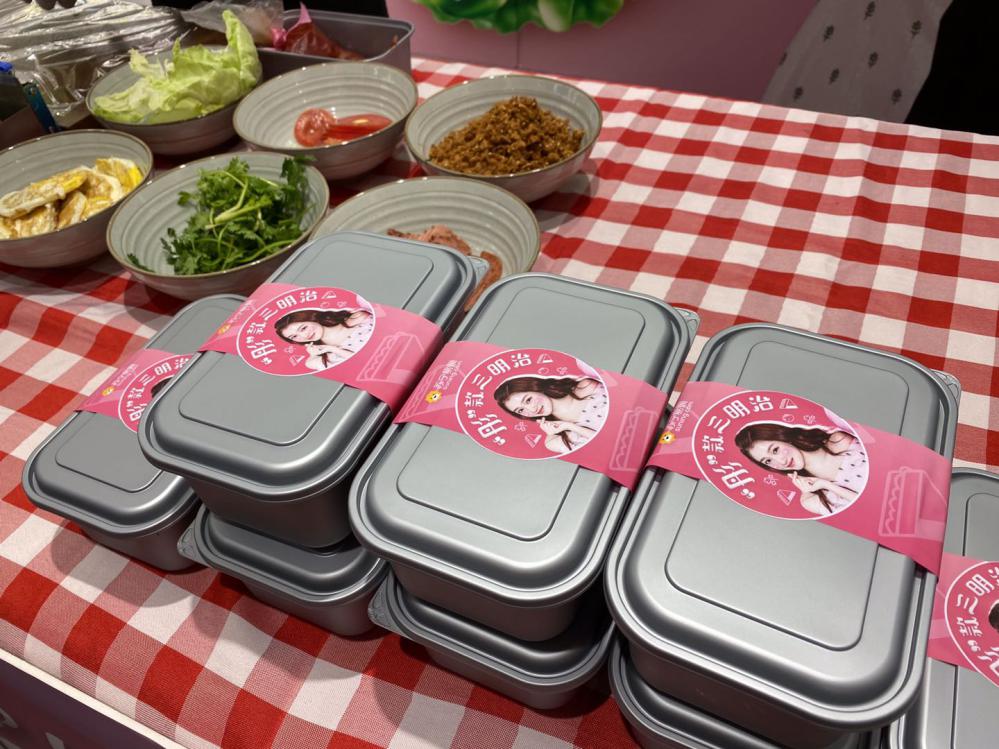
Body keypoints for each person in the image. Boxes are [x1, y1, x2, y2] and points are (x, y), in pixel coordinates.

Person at [734, 422, 868, 516]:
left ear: (783, 437)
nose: (781, 461)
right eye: (768, 461)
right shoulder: (810, 499)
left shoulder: (839, 440)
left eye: (775, 450)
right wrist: (827, 485)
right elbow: (866, 514)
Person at [494, 375, 608, 454]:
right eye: (520, 410)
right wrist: (571, 427)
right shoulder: (553, 440)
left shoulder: (586, 386)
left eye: (528, 400)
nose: (532, 409)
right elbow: (604, 450)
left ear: (536, 388)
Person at [274, 307, 372, 371]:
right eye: (294, 336)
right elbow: (360, 367)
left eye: (304, 328)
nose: (305, 336)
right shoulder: (315, 360)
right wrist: (332, 349)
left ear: (312, 318)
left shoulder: (358, 317)